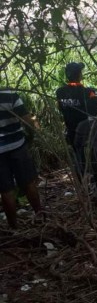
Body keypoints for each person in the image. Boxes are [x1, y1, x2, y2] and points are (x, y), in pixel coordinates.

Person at [0, 89, 43, 228]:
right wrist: (33, 131)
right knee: (28, 182)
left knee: (6, 190)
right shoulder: (9, 94)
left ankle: (14, 226)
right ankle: (40, 215)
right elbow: (27, 120)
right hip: (17, 145)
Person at [56, 62, 97, 147]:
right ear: (79, 75)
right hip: (87, 135)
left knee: (76, 157)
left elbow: (60, 108)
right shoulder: (89, 92)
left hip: (70, 133)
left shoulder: (59, 92)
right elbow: (95, 113)